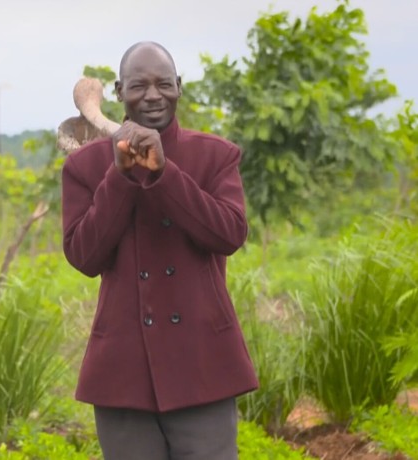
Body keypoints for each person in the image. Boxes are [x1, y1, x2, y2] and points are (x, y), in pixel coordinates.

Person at [60, 41, 259, 459]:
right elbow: (84, 256)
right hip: (123, 374)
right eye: (139, 86)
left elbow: (228, 235)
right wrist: (121, 177)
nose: (152, 95)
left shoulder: (215, 155)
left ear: (179, 88)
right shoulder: (85, 167)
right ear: (118, 92)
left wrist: (165, 173)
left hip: (203, 364)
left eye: (163, 84)